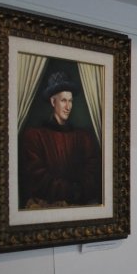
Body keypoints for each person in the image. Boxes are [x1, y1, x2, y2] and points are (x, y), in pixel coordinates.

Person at [19, 71, 102, 208]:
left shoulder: (83, 137)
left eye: (70, 101)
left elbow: (92, 171)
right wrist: (70, 190)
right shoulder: (35, 136)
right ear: (53, 102)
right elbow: (37, 177)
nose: (68, 107)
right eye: (63, 100)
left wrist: (80, 190)